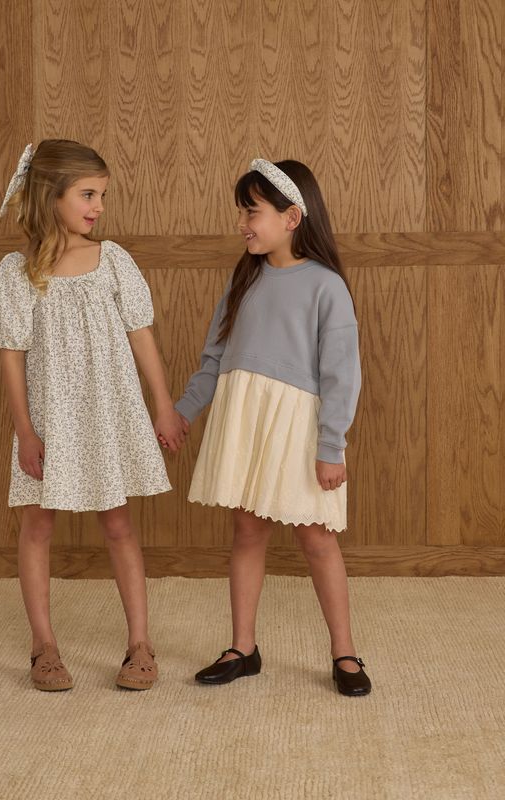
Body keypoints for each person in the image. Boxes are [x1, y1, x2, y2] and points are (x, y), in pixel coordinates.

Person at [0, 139, 184, 692]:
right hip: (50, 419)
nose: (98, 206)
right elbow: (12, 354)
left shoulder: (113, 259)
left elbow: (140, 336)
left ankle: (140, 642)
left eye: (102, 195)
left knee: (118, 523)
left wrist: (162, 407)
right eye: (88, 194)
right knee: (38, 524)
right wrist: (25, 431)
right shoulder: (18, 271)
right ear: (52, 197)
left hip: (107, 412)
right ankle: (43, 646)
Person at [173, 158, 372, 696]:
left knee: (317, 539)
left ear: (291, 216)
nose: (243, 222)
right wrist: (185, 411)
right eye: (241, 210)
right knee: (247, 531)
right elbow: (213, 358)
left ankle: (345, 651)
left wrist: (331, 445)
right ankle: (243, 646)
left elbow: (341, 373)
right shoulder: (245, 278)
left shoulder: (325, 287)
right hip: (246, 421)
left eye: (252, 211)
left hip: (296, 428)